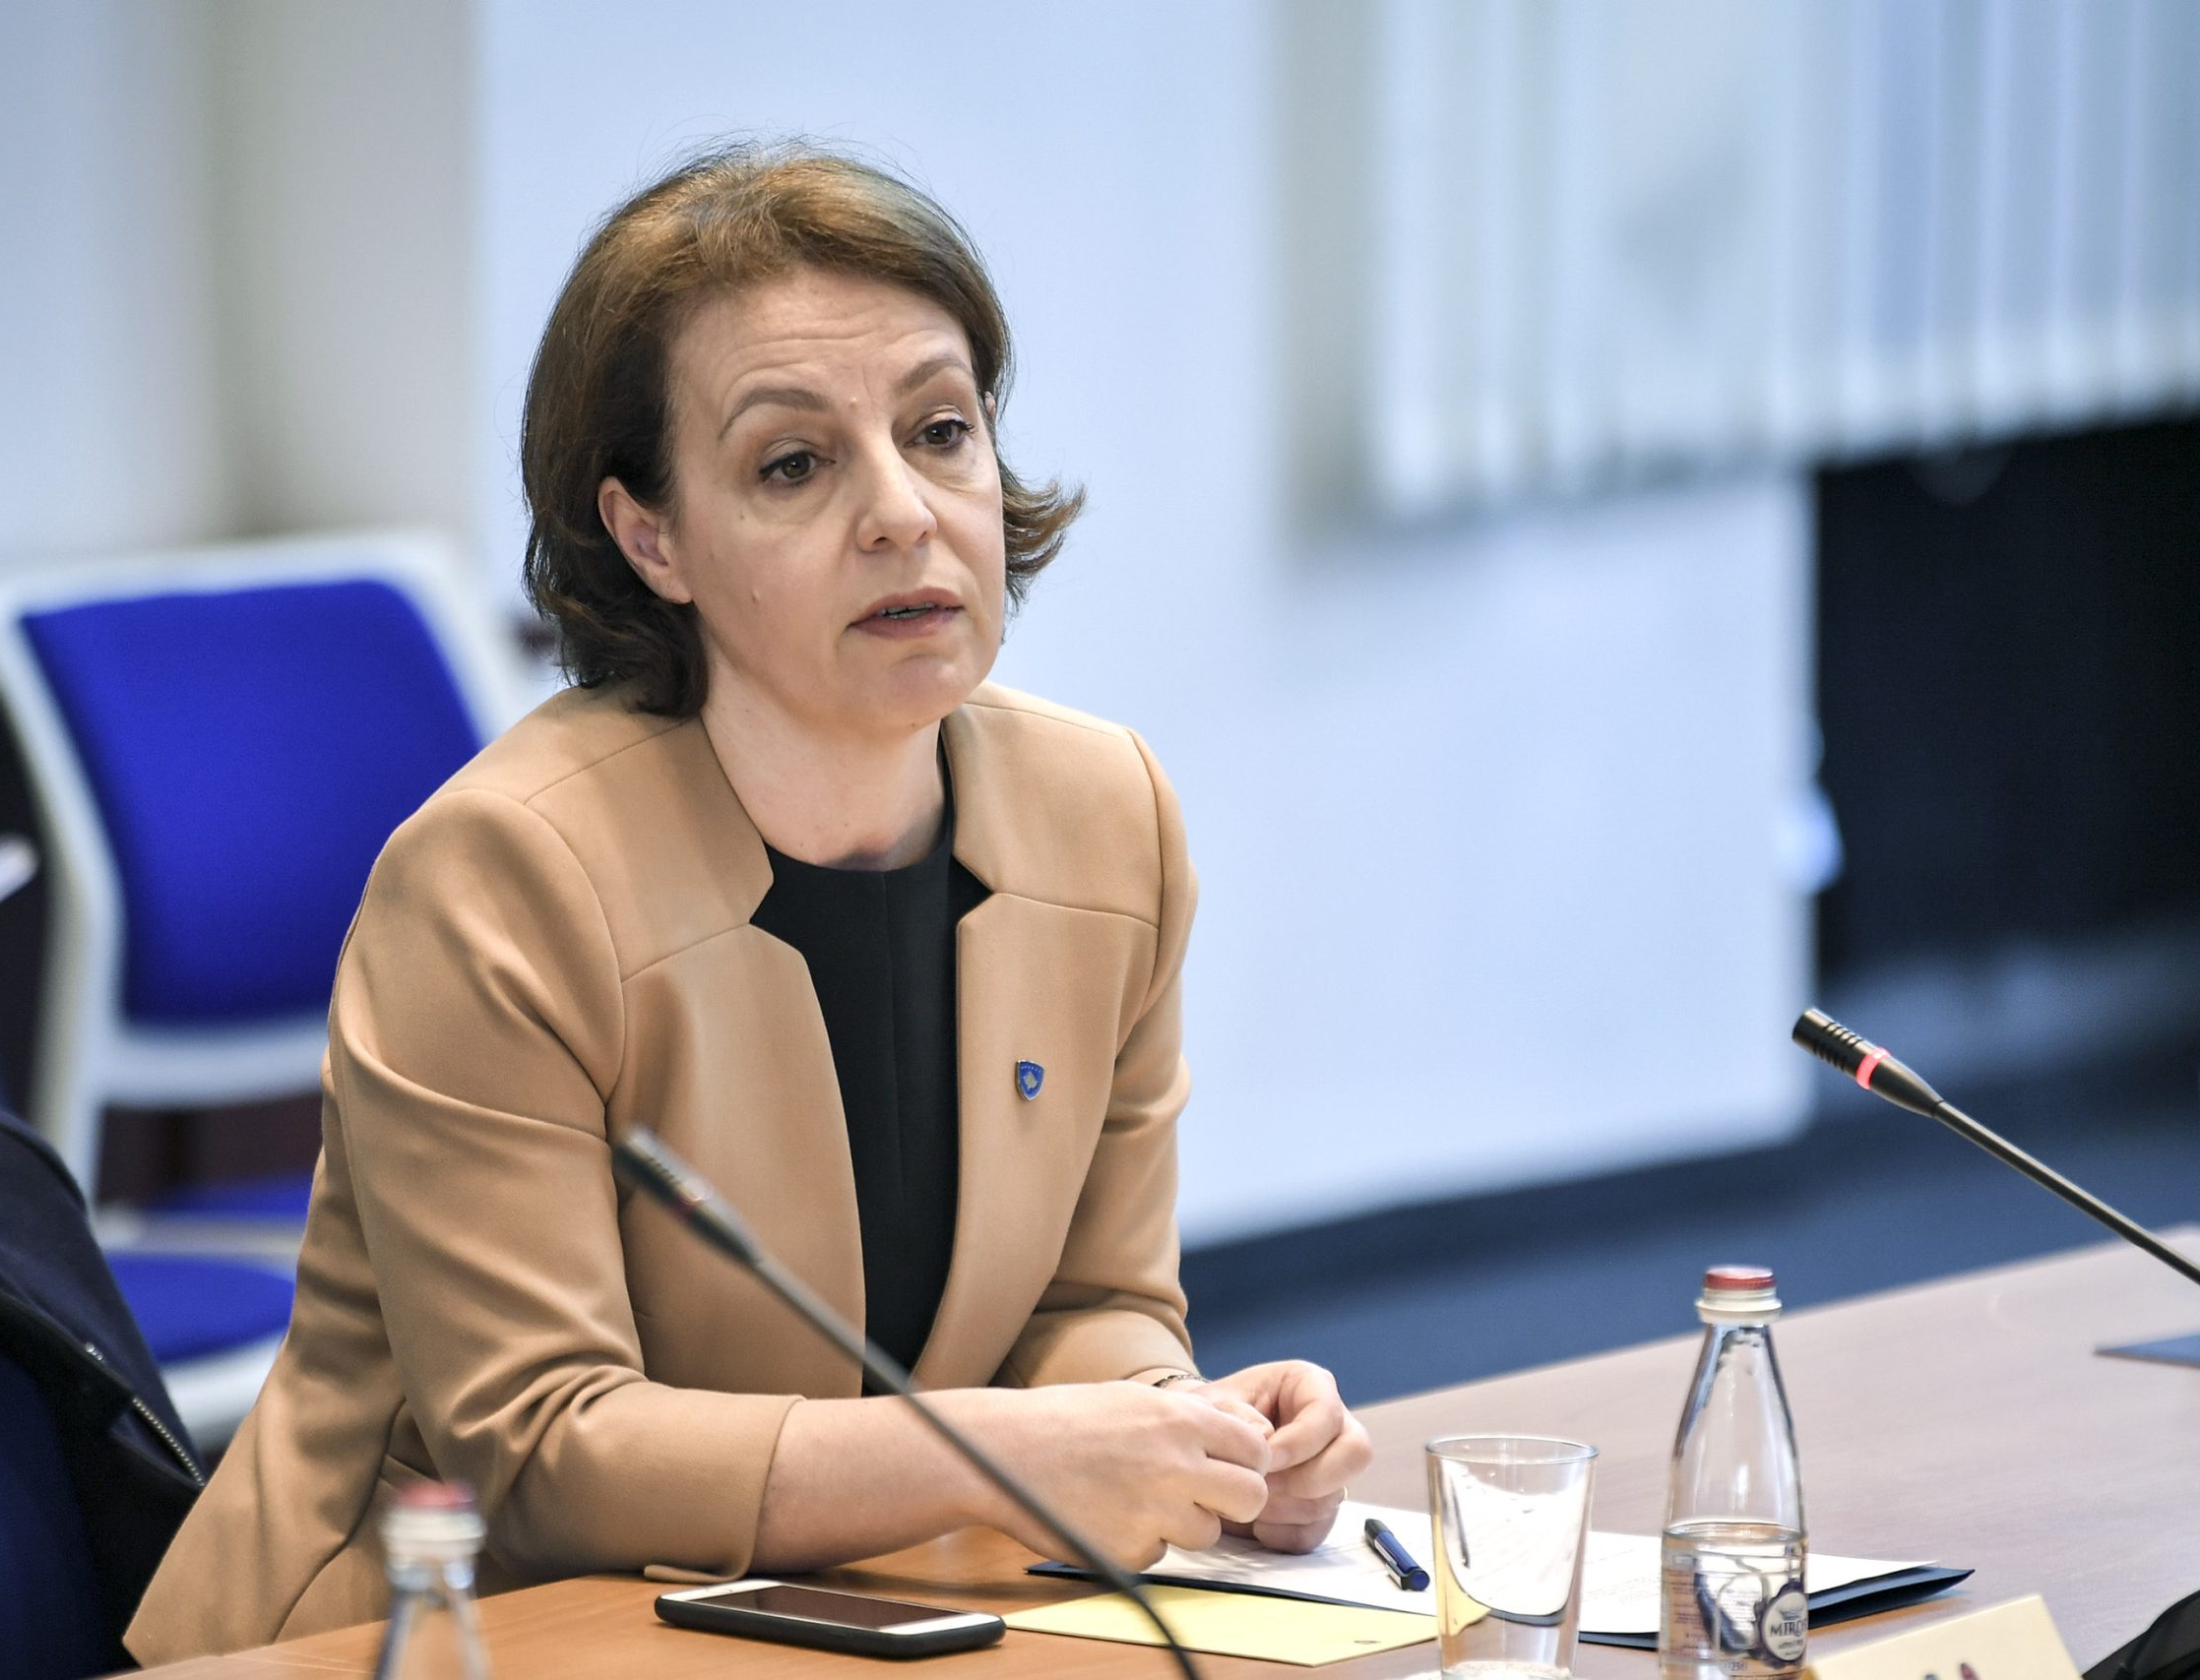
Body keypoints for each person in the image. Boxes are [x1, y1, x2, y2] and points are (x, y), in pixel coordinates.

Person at [124, 141, 1369, 1665]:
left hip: (831, 1611)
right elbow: (545, 1450)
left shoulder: (1109, 818)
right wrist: (1008, 1459)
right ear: (653, 538)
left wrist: (1186, 1430)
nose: (904, 513)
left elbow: (1087, 1303)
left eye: (941, 431)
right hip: (428, 1631)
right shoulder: (500, 878)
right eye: (795, 465)